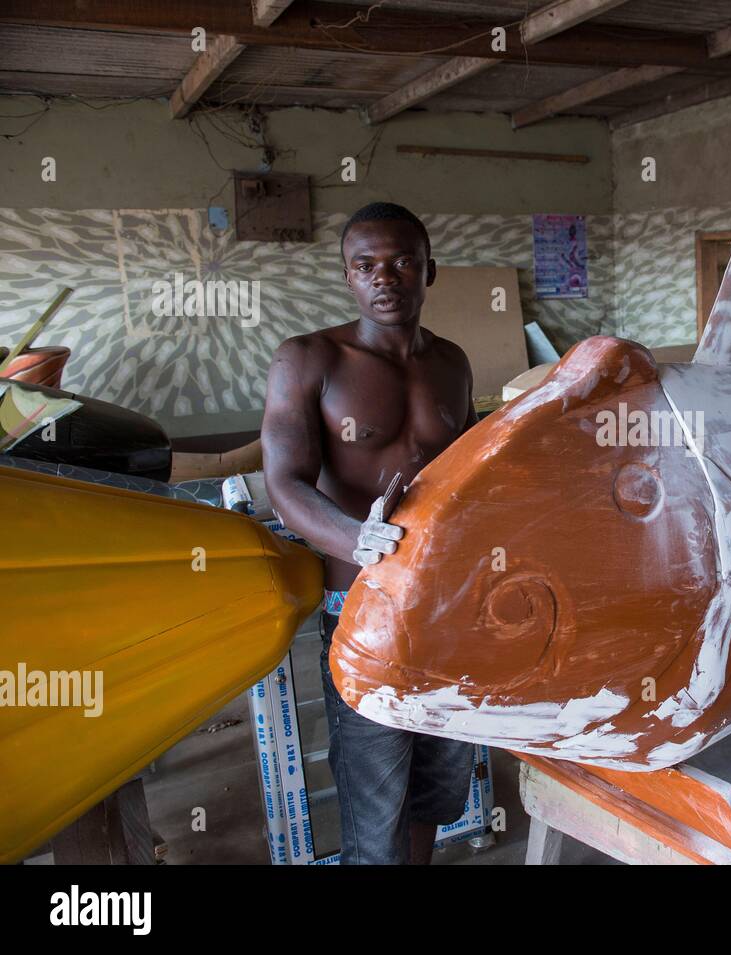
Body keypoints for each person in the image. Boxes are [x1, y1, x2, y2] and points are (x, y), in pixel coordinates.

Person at [262, 202, 477, 861]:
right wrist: (357, 538)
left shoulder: (452, 362)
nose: (385, 278)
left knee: (438, 790)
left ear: (428, 271)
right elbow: (286, 481)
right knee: (375, 810)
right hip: (364, 610)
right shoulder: (309, 360)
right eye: (366, 266)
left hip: (447, 608)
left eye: (402, 263)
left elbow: (465, 472)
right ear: (348, 277)